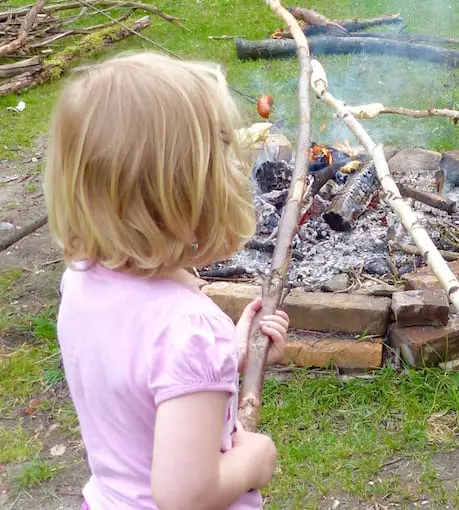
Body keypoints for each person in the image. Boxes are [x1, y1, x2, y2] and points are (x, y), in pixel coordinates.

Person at [48, 52, 291, 510]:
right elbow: (185, 496)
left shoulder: (80, 283)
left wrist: (225, 361)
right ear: (187, 197)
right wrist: (254, 462)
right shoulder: (190, 331)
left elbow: (140, 376)